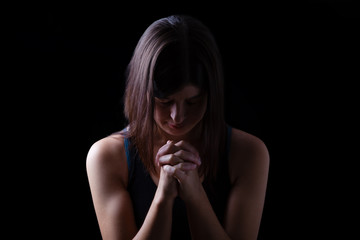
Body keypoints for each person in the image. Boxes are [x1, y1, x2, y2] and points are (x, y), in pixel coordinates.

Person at [86, 14, 270, 240]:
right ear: (142, 94)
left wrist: (194, 194)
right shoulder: (107, 156)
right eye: (164, 102)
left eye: (192, 102)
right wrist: (163, 197)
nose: (178, 116)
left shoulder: (249, 154)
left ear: (211, 96)